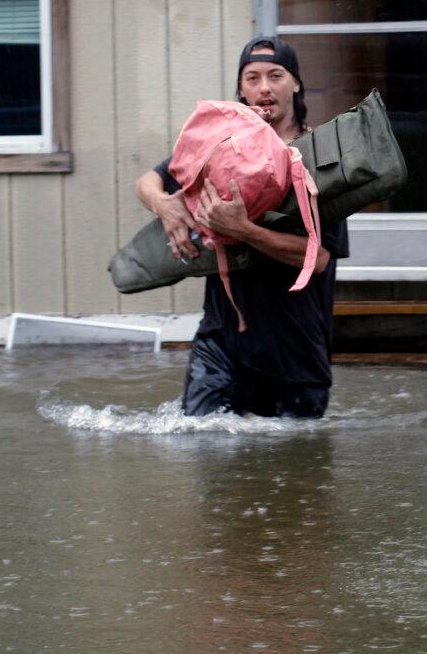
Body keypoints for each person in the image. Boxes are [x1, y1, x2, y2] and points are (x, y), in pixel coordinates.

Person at [135, 35, 349, 418]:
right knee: (202, 449)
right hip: (221, 343)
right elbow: (147, 182)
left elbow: (317, 260)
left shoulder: (321, 160)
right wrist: (165, 207)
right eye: (252, 78)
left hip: (294, 352)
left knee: (295, 470)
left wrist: (244, 230)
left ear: (296, 83)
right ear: (241, 88)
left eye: (275, 75)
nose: (264, 88)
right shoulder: (220, 147)